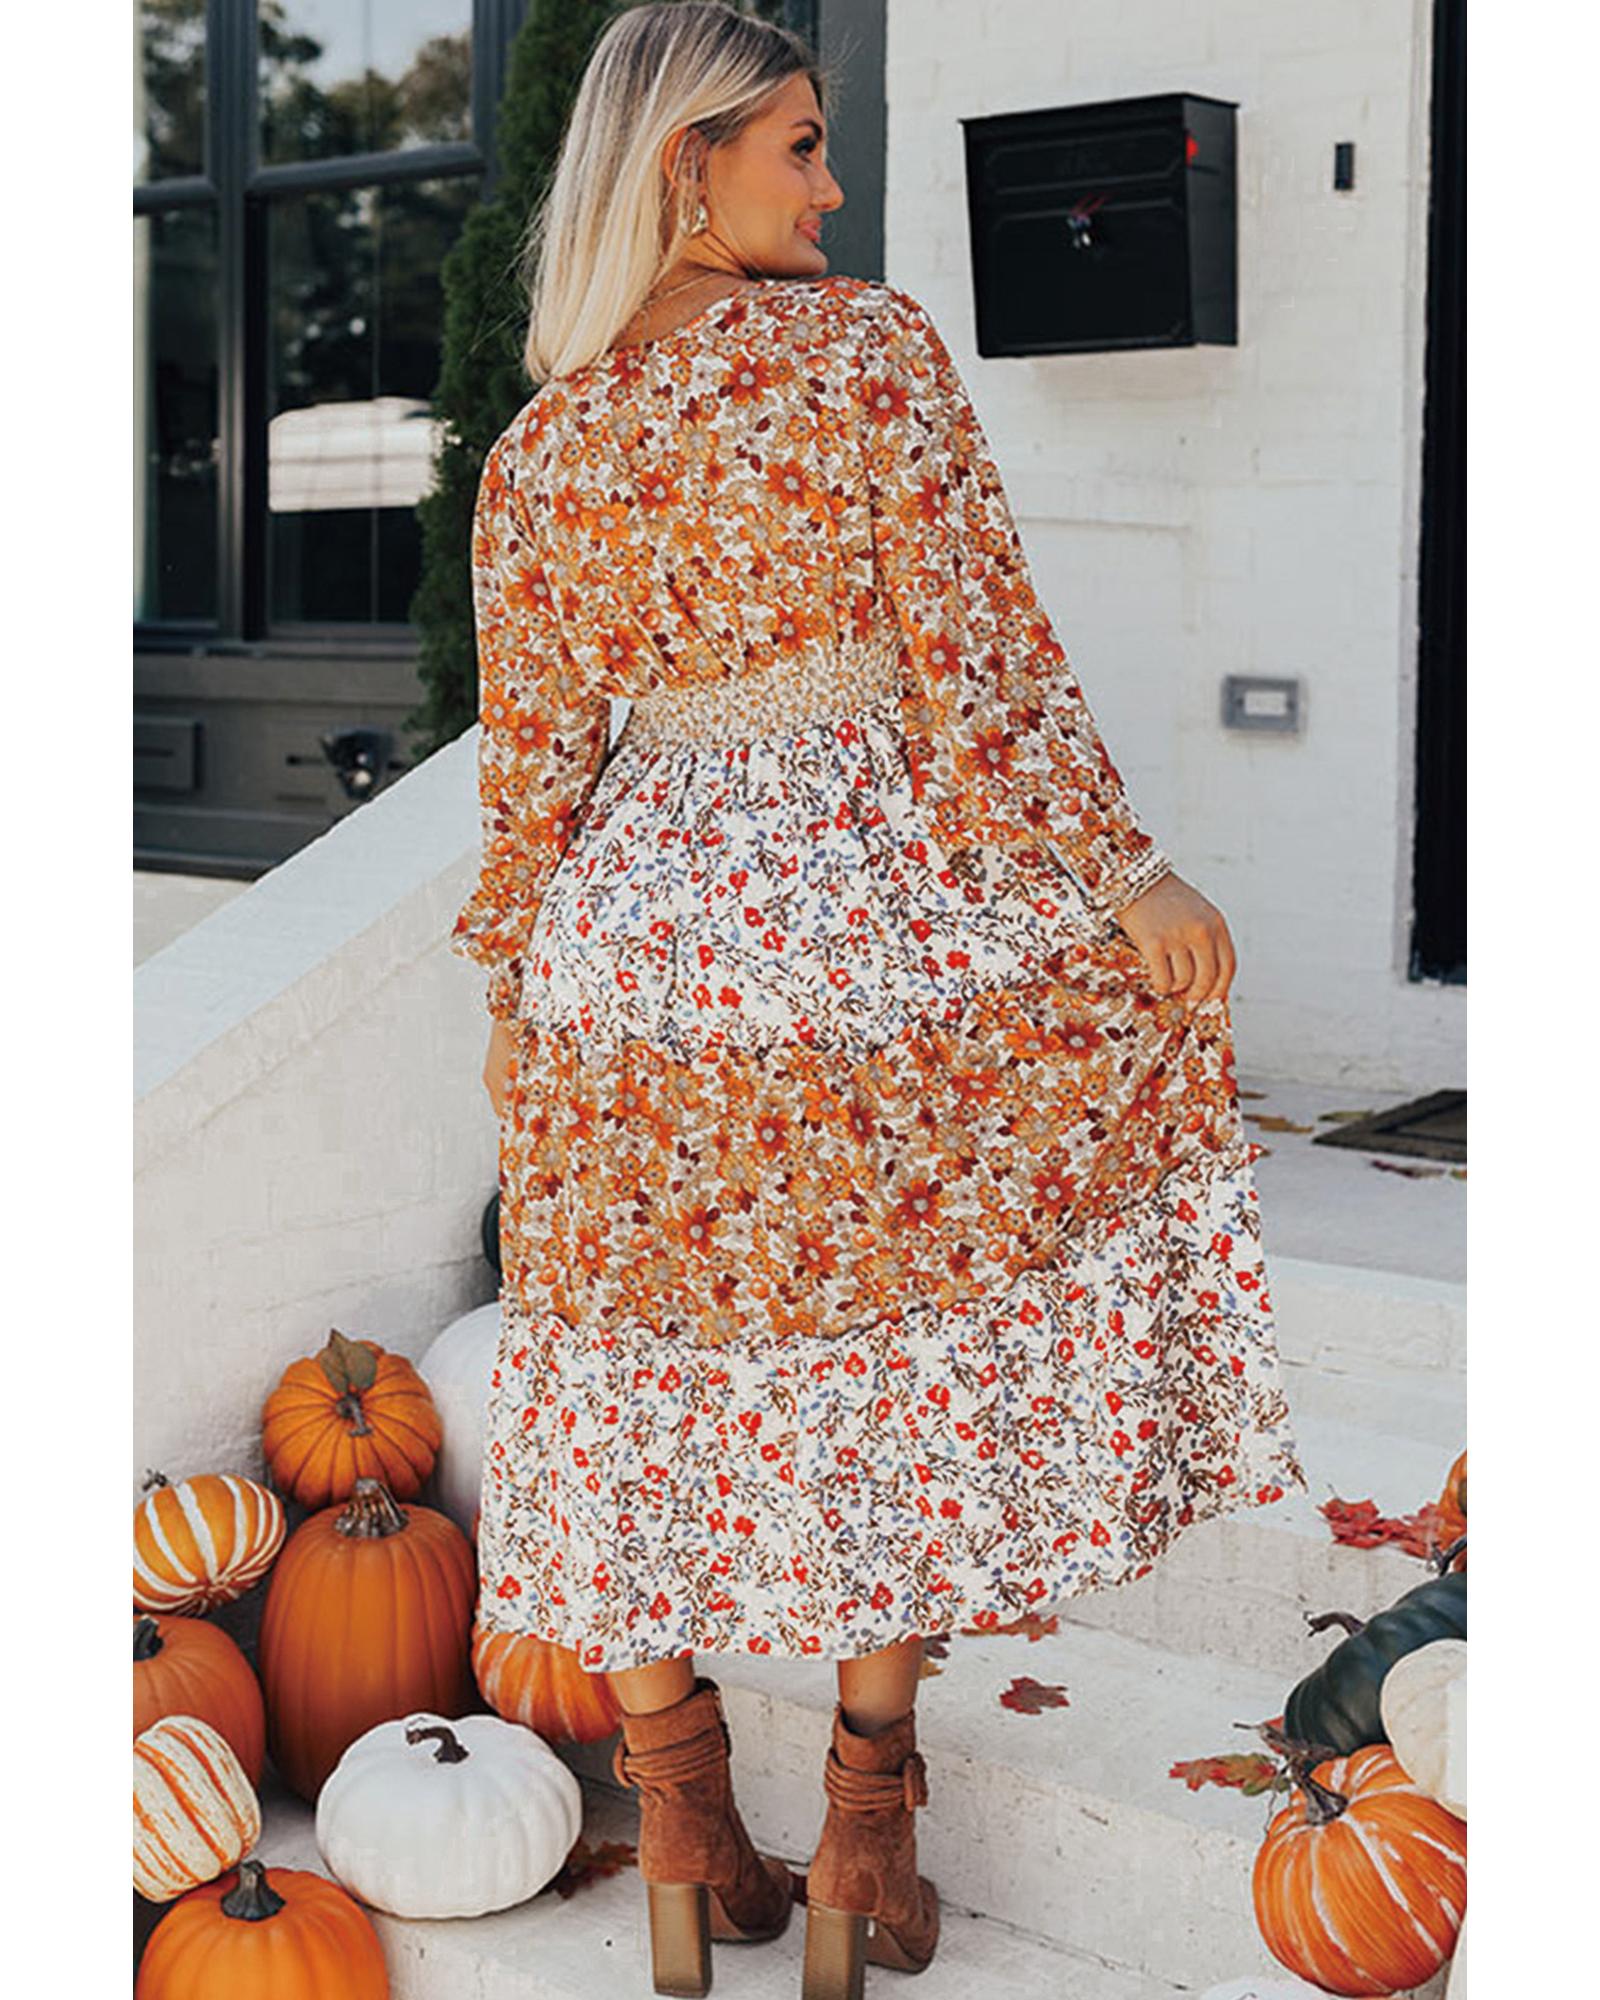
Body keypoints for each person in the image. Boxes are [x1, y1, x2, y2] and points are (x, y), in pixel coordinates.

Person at [449, 6, 1308, 1995]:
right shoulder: (863, 356)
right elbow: (974, 658)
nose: (832, 189)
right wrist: (1122, 875)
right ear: (687, 158)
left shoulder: (538, 447)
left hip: (622, 944)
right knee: (884, 1353)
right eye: (801, 145)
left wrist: (511, 983)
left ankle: (679, 1816)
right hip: (851, 915)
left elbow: (531, 769)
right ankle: (861, 1829)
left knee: (623, 1358)